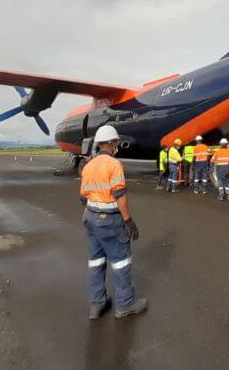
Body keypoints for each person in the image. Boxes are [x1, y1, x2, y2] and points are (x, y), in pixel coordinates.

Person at [80, 125, 148, 319]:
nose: (116, 145)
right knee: (121, 263)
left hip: (90, 218)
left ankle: (96, 305)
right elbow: (119, 195)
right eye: (115, 142)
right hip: (109, 220)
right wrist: (128, 221)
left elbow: (84, 197)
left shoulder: (89, 165)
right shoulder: (114, 164)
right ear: (110, 143)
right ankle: (125, 305)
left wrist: (88, 218)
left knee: (96, 263)